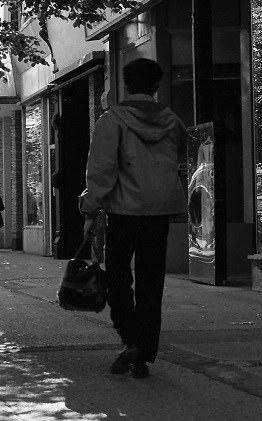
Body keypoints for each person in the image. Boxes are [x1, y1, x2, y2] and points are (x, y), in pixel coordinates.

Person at [79, 58, 187, 380]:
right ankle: (143, 352)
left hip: (124, 212)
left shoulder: (112, 121)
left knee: (117, 279)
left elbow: (101, 170)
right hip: (159, 212)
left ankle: (131, 339)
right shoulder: (172, 122)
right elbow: (179, 156)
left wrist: (91, 210)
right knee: (152, 282)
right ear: (156, 86)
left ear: (125, 85)